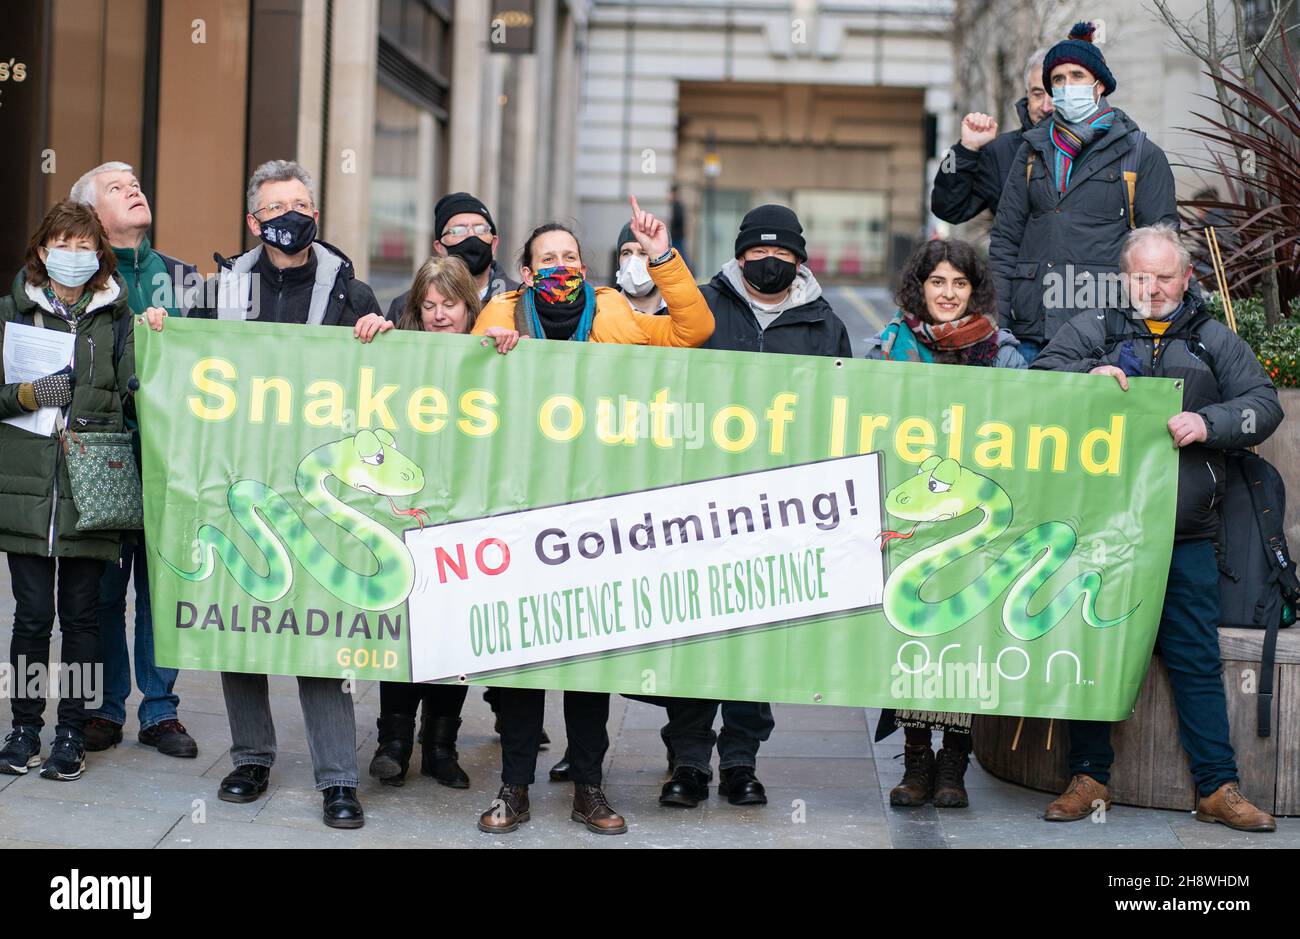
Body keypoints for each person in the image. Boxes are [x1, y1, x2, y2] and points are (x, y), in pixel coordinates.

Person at [469, 197, 714, 835]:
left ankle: (590, 789)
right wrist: (486, 351)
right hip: (517, 507)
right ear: (525, 272)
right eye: (547, 259)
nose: (560, 266)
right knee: (519, 656)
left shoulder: (614, 311)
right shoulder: (498, 314)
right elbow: (461, 387)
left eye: (570, 256)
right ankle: (513, 788)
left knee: (585, 660)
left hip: (595, 511)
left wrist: (662, 257)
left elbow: (692, 332)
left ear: (586, 265)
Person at [1031, 224, 1282, 832]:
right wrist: (1081, 382)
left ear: (1187, 277)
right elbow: (1035, 384)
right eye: (1139, 276)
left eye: (1163, 276)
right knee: (1092, 652)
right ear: (1125, 277)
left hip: (1185, 534)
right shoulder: (1092, 331)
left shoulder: (1213, 340)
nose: (1151, 288)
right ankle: (1088, 778)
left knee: (1195, 661)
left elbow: (1264, 404)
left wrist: (1211, 421)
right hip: (1099, 532)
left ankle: (1217, 788)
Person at [162, 159, 382, 828]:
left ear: (315, 212)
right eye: (276, 205)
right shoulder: (214, 291)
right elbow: (179, 367)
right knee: (240, 625)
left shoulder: (352, 294)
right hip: (236, 482)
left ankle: (338, 777)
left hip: (316, 489)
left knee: (320, 633)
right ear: (253, 221)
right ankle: (251, 756)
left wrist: (383, 339)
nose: (290, 213)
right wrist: (157, 326)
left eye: (301, 202)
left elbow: (384, 384)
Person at [656, 204, 851, 812]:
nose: (769, 263)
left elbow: (843, 411)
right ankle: (687, 761)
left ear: (800, 260)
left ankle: (741, 762)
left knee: (754, 641)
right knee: (692, 636)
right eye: (757, 254)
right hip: (696, 503)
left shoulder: (825, 326)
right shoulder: (700, 307)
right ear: (738, 256)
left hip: (779, 511)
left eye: (783, 255)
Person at [864, 239, 1026, 809]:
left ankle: (954, 764)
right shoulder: (887, 348)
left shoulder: (1003, 354)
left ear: (974, 289)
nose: (948, 294)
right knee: (911, 639)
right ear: (920, 287)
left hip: (973, 519)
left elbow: (1025, 430)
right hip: (910, 515)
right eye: (937, 282)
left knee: (963, 640)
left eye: (959, 283)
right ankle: (915, 762)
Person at [0, 201, 155, 781]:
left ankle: (71, 730)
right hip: (29, 492)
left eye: (84, 246)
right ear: (43, 250)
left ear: (98, 255)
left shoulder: (118, 320)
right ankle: (23, 727)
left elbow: (142, 394)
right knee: (32, 618)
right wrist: (29, 395)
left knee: (82, 617)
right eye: (62, 244)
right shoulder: (11, 315)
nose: (73, 256)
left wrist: (156, 343)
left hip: (95, 491)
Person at [353, 255, 517, 788]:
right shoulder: (399, 351)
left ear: (470, 307)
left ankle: (441, 745)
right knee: (403, 629)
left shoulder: (494, 352)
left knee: (453, 633)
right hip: (409, 514)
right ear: (414, 310)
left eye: (450, 305)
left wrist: (507, 345)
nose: (440, 315)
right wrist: (374, 331)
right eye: (428, 306)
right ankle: (393, 741)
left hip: (468, 516)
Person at [69, 161, 199, 759]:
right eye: (118, 189)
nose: (135, 190)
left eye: (137, 183)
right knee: (100, 588)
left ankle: (160, 711)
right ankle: (104, 707)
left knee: (161, 584)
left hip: (171, 455)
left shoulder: (183, 277)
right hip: (105, 454)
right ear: (95, 215)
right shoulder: (82, 281)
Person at [990, 21, 1179, 364]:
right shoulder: (1032, 150)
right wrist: (998, 329)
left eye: (1077, 75)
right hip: (1030, 333)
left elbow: (1162, 253)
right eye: (1058, 80)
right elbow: (1005, 242)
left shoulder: (1140, 154)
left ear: (1100, 85)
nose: (1066, 86)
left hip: (1105, 338)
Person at [931, 48, 1053, 224]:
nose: (1046, 106)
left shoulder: (1096, 147)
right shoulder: (1000, 151)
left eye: (1055, 94)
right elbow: (947, 208)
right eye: (1038, 94)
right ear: (1027, 96)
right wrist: (964, 151)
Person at [383, 192, 518, 322]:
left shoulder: (520, 300)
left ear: (494, 244)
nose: (472, 236)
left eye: (480, 229)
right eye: (459, 230)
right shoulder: (408, 306)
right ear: (440, 247)